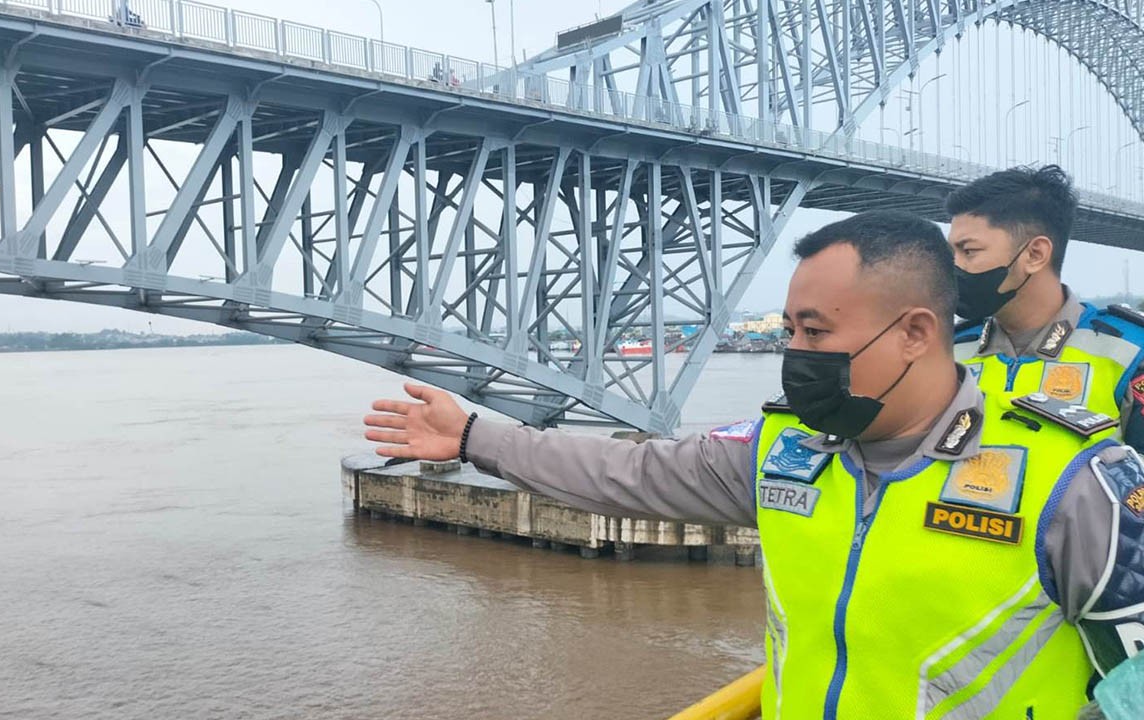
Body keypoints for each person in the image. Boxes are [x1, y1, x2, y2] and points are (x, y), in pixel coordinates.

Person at [364, 211, 1144, 718]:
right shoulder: (784, 451)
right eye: (790, 333)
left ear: (914, 333)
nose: (794, 357)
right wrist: (474, 437)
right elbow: (630, 475)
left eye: (814, 332)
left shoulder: (1072, 482)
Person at [949, 165, 1144, 450]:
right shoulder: (950, 351)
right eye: (950, 253)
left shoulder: (1129, 353)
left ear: (1035, 254)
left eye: (969, 252)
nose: (953, 267)